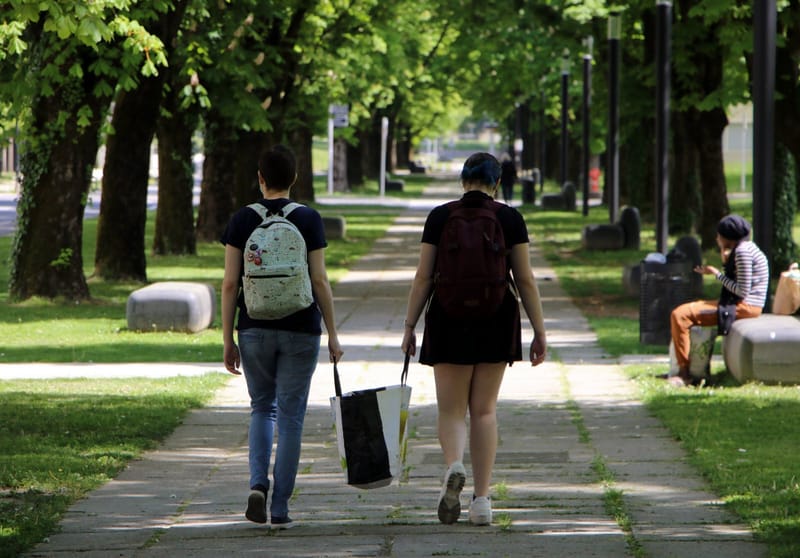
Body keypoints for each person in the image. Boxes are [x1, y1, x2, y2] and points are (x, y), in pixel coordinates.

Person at [401, 152, 547, 526]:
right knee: (484, 410)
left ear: (463, 181)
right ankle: (482, 501)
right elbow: (526, 279)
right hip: (496, 317)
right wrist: (539, 330)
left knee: (450, 410)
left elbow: (423, 276)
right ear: (496, 184)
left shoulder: (439, 217)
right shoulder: (509, 218)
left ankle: (453, 464)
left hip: (448, 317)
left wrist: (409, 325)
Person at [221, 145, 343, 528]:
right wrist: (334, 334)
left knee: (262, 408)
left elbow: (228, 284)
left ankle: (258, 483)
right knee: (290, 418)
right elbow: (319, 280)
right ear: (295, 178)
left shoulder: (241, 220)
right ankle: (280, 509)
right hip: (300, 329)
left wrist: (228, 339)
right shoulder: (309, 220)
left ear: (260, 178)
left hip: (254, 328)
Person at [669, 214, 768, 386]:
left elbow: (742, 290)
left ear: (727, 237)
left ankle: (684, 372)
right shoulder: (746, 247)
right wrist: (725, 258)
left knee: (680, 315)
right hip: (743, 304)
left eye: (719, 235)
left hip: (745, 306)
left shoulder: (743, 252)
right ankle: (687, 368)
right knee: (692, 307)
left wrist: (717, 274)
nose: (717, 238)